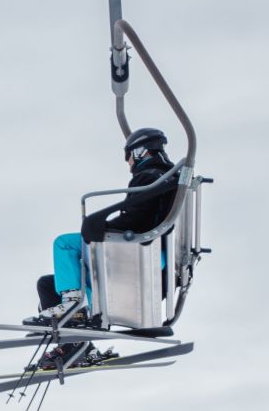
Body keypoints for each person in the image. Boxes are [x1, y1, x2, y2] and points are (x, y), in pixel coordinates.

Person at [26, 127, 178, 368]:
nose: (128, 163)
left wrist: (101, 226)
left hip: (135, 252)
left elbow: (136, 218)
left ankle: (73, 308)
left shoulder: (150, 176)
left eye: (128, 156)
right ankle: (76, 345)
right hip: (147, 255)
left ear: (139, 151)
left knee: (64, 243)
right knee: (47, 284)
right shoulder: (167, 176)